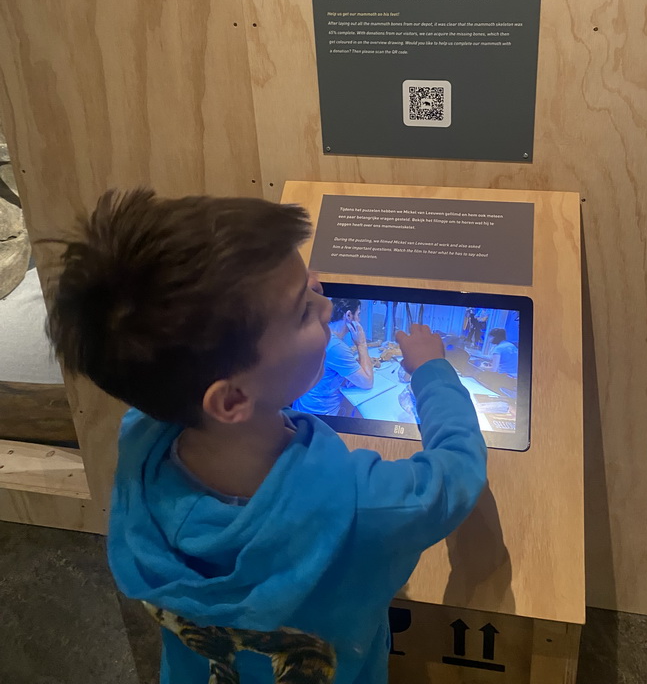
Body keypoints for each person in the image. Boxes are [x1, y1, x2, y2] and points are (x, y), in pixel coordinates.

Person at [46, 189, 487, 684]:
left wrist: (288, 294)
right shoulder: (365, 505)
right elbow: (457, 471)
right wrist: (432, 372)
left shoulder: (141, 440)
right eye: (303, 309)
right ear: (232, 400)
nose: (325, 303)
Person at [292, 298, 373, 416]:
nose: (359, 320)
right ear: (349, 315)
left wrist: (345, 377)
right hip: (320, 416)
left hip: (301, 407)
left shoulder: (319, 331)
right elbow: (367, 383)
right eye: (358, 315)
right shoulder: (336, 347)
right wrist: (362, 344)